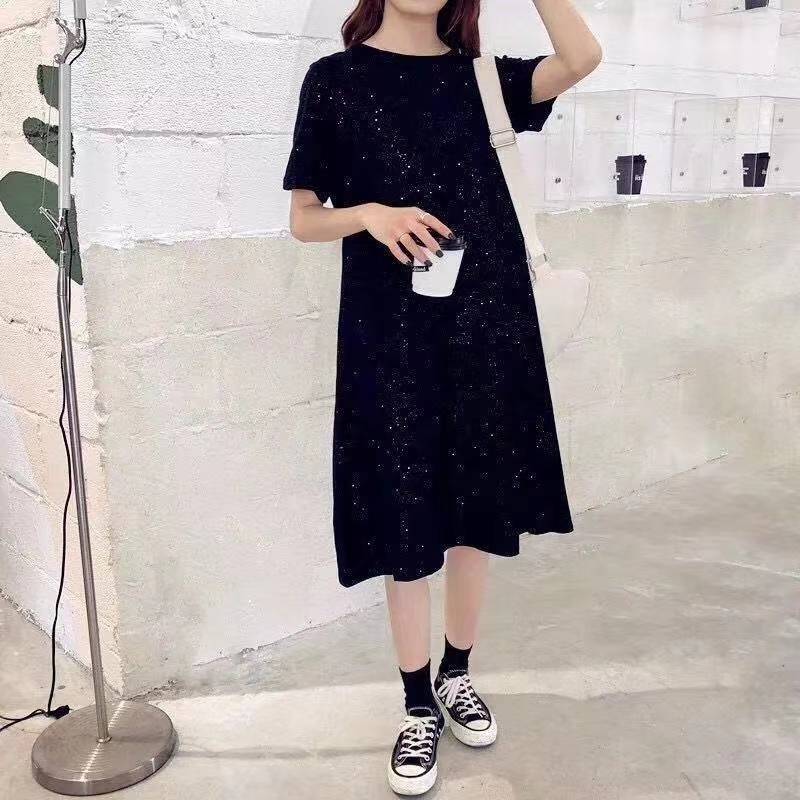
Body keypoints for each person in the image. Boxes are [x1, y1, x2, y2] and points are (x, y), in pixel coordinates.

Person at [283, 0, 601, 794]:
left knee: (475, 515)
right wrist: (368, 214)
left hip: (485, 329)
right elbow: (303, 220)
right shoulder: (335, 82)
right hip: (388, 339)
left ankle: (458, 673)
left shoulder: (485, 80)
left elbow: (582, 56)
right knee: (404, 517)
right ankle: (416, 701)